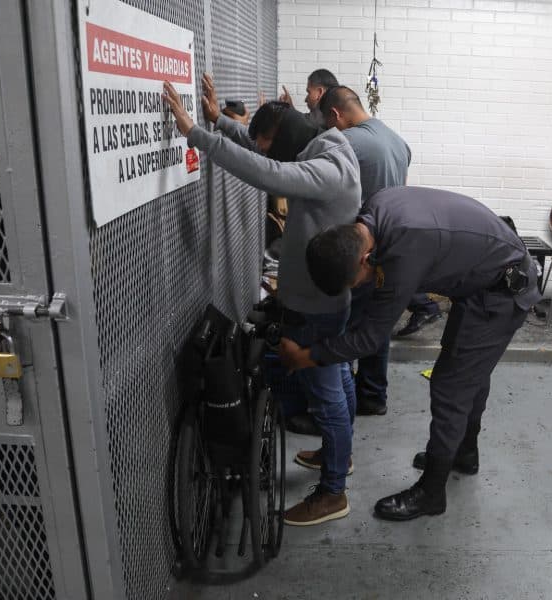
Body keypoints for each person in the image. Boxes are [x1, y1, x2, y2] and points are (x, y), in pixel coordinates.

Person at [163, 74, 361, 527]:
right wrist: (222, 124)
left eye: (270, 141)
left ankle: (334, 491)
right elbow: (269, 155)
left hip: (316, 308)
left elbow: (270, 170)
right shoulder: (318, 144)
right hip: (318, 300)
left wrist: (197, 134)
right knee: (337, 385)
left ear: (287, 136)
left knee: (327, 393)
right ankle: (340, 456)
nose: (268, 149)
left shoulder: (328, 168)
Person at [279, 186, 541, 521]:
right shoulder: (373, 214)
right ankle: (465, 452)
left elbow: (371, 339)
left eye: (355, 282)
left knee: (451, 386)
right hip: (485, 276)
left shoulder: (402, 254)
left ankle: (432, 493)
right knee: (470, 372)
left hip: (501, 293)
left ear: (363, 259)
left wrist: (306, 356)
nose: (359, 286)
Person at [299, 85, 411, 420]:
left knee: (346, 328)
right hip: (390, 250)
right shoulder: (397, 141)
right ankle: (373, 395)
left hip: (359, 252)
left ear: (335, 115)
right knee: (377, 325)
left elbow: (301, 166)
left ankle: (336, 408)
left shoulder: (347, 142)